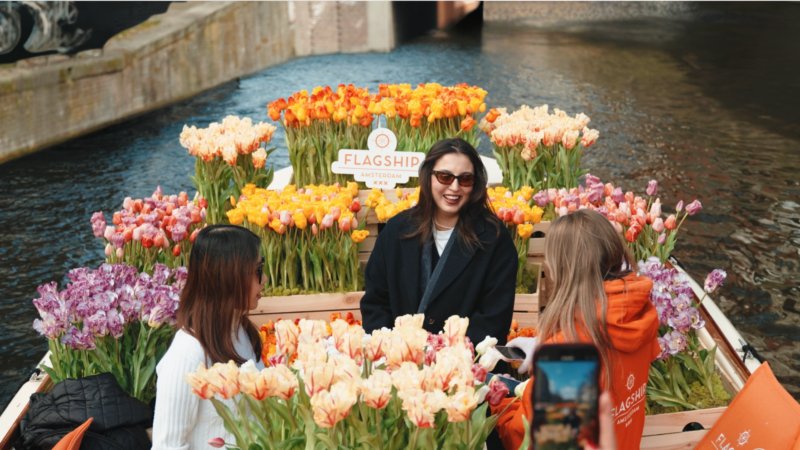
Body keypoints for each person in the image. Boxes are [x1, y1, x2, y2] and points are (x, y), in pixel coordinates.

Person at [493, 209, 660, 450]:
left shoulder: (567, 352)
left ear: (564, 268)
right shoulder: (639, 311)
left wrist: (499, 403)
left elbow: (529, 437)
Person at [360, 137, 518, 346]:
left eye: (465, 179)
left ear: (475, 183)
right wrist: (394, 350)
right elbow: (376, 302)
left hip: (463, 366)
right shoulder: (397, 230)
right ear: (428, 176)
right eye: (445, 177)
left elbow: (494, 318)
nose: (454, 187)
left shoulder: (494, 239)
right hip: (400, 362)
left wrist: (447, 354)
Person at [151, 225, 265, 450]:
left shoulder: (241, 332)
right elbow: (167, 446)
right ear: (229, 277)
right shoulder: (187, 355)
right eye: (258, 270)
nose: (265, 279)